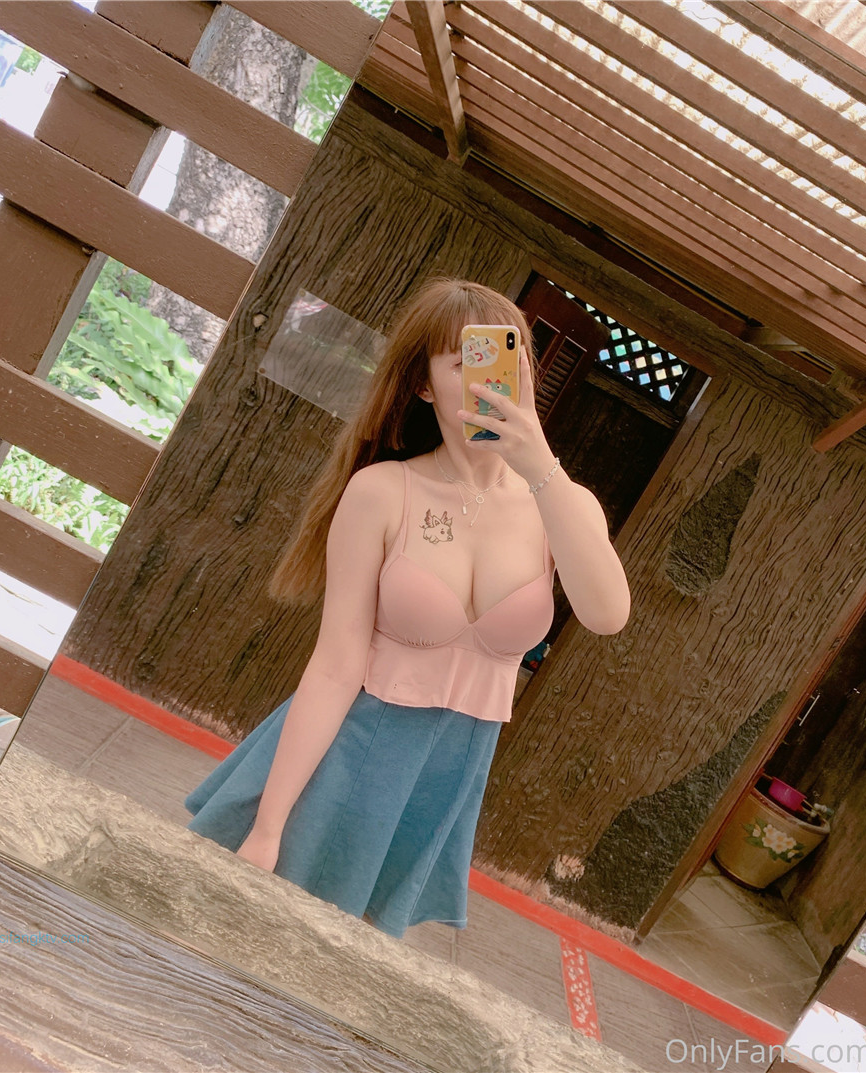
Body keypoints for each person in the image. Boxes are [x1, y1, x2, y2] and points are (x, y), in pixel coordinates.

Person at [184, 278, 630, 939]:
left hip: (441, 779)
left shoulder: (563, 504)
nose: (489, 378)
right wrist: (269, 824)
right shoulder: (381, 491)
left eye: (505, 356)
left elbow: (606, 614)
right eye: (464, 360)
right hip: (343, 756)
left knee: (328, 965)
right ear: (423, 385)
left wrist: (540, 466)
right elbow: (334, 665)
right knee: (238, 941)